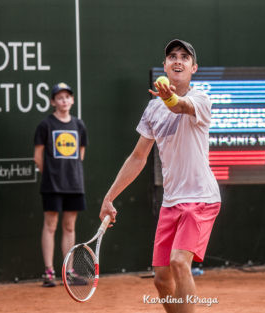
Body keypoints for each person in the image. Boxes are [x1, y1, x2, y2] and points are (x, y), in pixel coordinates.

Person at [99, 39, 221, 313]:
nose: (178, 60)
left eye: (184, 57)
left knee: (179, 262)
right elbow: (138, 157)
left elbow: (179, 106)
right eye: (172, 57)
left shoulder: (201, 98)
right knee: (162, 279)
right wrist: (109, 196)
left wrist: (168, 97)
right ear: (165, 66)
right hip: (171, 202)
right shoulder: (152, 109)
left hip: (201, 198)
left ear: (194, 68)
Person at [34, 82, 88, 287]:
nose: (64, 100)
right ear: (53, 102)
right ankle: (49, 273)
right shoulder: (45, 125)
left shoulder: (79, 125)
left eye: (67, 97)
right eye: (60, 97)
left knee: (69, 226)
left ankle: (69, 272)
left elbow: (80, 154)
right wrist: (53, 176)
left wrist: (69, 173)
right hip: (52, 185)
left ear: (72, 100)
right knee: (50, 225)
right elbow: (38, 157)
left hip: (74, 184)